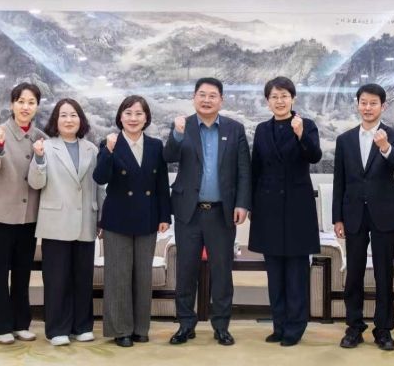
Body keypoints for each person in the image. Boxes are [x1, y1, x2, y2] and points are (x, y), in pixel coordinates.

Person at [164, 77, 251, 346]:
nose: (206, 100)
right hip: (188, 213)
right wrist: (177, 135)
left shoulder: (235, 129)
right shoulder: (183, 126)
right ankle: (185, 325)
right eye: (202, 95)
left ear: (221, 100)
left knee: (222, 272)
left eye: (212, 95)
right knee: (186, 270)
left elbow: (244, 170)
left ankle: (221, 326)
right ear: (194, 98)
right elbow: (168, 156)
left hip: (221, 213)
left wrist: (242, 203)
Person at [332, 83, 394, 351]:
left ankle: (383, 330)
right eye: (363, 102)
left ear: (383, 106)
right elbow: (339, 180)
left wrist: (385, 147)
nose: (368, 107)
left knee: (384, 273)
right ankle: (354, 327)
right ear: (357, 104)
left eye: (373, 103)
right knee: (354, 272)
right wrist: (337, 218)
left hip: (385, 214)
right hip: (353, 214)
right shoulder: (345, 139)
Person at [249, 77, 321, 347]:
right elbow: (256, 168)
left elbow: (314, 156)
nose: (279, 101)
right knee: (275, 274)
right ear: (268, 101)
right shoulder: (261, 129)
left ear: (293, 99)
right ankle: (278, 325)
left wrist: (301, 134)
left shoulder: (306, 125)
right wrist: (252, 204)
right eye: (274, 97)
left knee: (296, 274)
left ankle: (295, 327)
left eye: (284, 96)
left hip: (297, 209)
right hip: (268, 209)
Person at [93, 95, 171, 348]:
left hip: (148, 216)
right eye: (128, 113)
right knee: (118, 275)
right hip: (117, 218)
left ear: (146, 118)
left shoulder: (156, 146)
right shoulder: (110, 143)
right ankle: (121, 329)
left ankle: (140, 328)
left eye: (138, 113)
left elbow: (161, 185)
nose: (133, 118)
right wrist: (108, 151)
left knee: (142, 275)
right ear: (120, 117)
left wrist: (164, 216)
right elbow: (100, 177)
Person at [28, 98, 104, 346]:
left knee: (83, 277)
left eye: (73, 115)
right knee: (56, 278)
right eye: (63, 115)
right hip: (55, 221)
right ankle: (57, 329)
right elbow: (36, 183)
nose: (69, 120)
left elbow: (99, 187)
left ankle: (82, 326)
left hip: (85, 220)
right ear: (56, 120)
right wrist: (39, 159)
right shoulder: (46, 147)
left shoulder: (91, 149)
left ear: (81, 120)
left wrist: (101, 217)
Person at [0, 83, 46, 344]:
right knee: (0, 272)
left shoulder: (40, 136)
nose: (25, 107)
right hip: (0, 215)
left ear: (36, 106)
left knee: (22, 272)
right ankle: (1, 326)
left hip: (29, 216)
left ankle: (21, 323)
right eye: (20, 101)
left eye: (31, 102)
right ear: (12, 105)